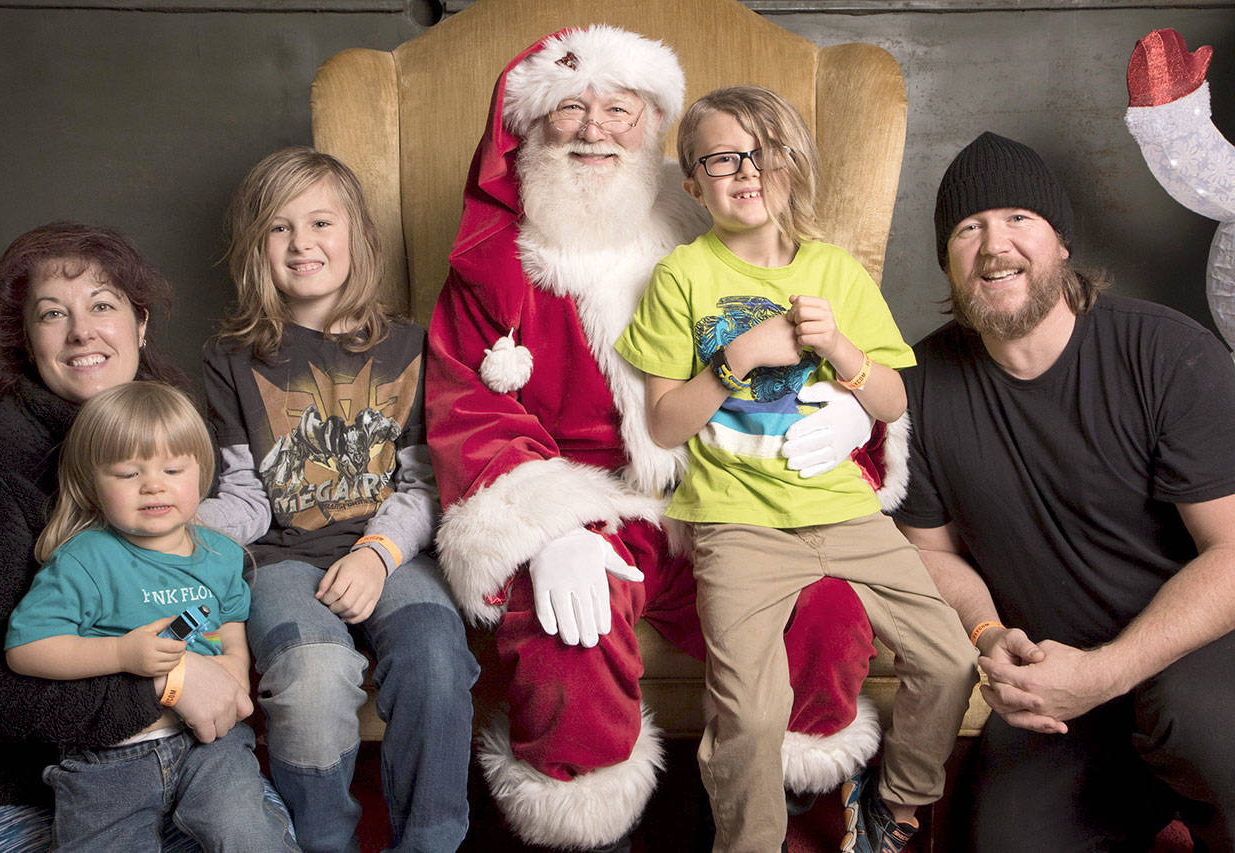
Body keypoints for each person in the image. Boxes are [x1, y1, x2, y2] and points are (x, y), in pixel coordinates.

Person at [426, 27, 890, 852]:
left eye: (619, 110)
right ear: (529, 128)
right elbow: (470, 409)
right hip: (591, 509)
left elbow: (822, 329)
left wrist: (854, 410)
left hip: (733, 489)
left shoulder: (716, 232)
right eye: (570, 108)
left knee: (828, 603)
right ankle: (592, 837)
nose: (594, 130)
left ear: (653, 127)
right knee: (567, 632)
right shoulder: (491, 268)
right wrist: (550, 528)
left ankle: (793, 816)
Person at [615, 86, 978, 853]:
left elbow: (890, 401)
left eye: (764, 152)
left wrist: (841, 348)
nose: (747, 171)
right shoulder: (682, 277)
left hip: (846, 514)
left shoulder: (836, 272)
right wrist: (736, 358)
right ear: (694, 183)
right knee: (748, 715)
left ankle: (895, 803)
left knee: (949, 659)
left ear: (793, 164)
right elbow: (664, 422)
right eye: (723, 158)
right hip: (737, 523)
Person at [893, 131, 1235, 850]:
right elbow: (929, 552)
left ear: (1062, 242)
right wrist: (988, 633)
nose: (995, 246)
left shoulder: (1166, 353)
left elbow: (1232, 554)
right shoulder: (915, 388)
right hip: (1057, 691)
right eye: (968, 228)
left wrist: (1108, 671)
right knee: (1000, 841)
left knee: (1197, 724)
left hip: (1197, 664)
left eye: (1019, 218)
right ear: (947, 260)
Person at [197, 146, 478, 853]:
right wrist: (176, 528)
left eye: (321, 222)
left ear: (357, 235)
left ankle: (431, 841)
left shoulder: (413, 347)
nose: (302, 243)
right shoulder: (229, 359)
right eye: (279, 227)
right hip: (282, 561)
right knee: (312, 675)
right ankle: (322, 839)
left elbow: (423, 483)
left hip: (394, 552)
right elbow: (245, 495)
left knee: (435, 656)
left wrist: (378, 553)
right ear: (257, 246)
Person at [0, 222, 257, 852]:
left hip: (187, 750)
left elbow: (214, 600)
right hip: (19, 785)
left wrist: (229, 668)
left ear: (140, 324)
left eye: (101, 305)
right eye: (52, 314)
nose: (81, 332)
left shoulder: (170, 426)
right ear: (26, 340)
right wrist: (165, 684)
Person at [4, 381, 296, 852]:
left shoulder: (221, 553)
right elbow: (26, 648)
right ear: (92, 483)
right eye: (127, 473)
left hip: (210, 746)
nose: (154, 485)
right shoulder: (83, 560)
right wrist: (121, 653)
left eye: (173, 469)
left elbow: (229, 623)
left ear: (201, 473)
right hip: (108, 757)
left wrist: (234, 667)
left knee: (248, 833)